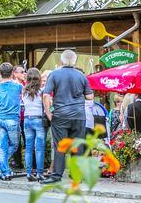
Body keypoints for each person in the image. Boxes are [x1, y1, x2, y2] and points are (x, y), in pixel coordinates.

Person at [41, 49, 93, 183]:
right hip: (79, 115)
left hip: (60, 114)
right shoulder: (82, 76)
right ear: (75, 61)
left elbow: (46, 95)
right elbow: (89, 96)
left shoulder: (54, 74)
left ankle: (56, 176)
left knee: (60, 145)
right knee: (78, 146)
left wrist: (48, 114)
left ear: (61, 61)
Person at [0, 62, 23, 180]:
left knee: (3, 146)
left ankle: (3, 170)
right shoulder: (18, 87)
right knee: (13, 145)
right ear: (12, 73)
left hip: (0, 119)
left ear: (0, 73)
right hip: (13, 119)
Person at [21, 68, 47, 182]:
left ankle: (28, 172)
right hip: (38, 119)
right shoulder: (41, 91)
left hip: (27, 119)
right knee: (39, 148)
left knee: (28, 148)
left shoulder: (23, 91)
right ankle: (40, 173)